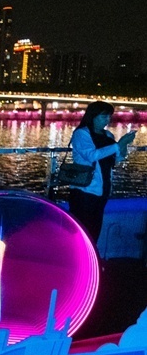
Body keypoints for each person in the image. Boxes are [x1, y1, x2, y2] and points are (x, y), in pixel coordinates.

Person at [68, 100, 136, 246]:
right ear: (93, 116)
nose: (107, 120)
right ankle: (78, 256)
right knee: (81, 227)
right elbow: (91, 155)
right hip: (84, 189)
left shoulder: (108, 135)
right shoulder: (81, 134)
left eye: (109, 116)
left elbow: (116, 158)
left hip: (102, 187)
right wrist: (118, 145)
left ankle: (92, 256)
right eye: (103, 116)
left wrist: (123, 145)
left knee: (95, 227)